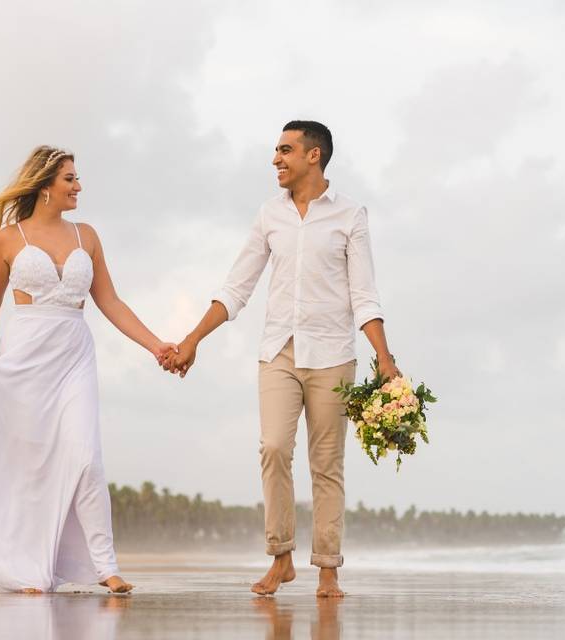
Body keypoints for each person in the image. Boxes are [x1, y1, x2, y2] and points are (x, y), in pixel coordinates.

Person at [162, 121, 400, 597]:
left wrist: (385, 360)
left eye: (285, 150)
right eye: (276, 149)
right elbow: (237, 287)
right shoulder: (269, 215)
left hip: (333, 354)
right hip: (278, 352)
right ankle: (282, 557)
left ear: (314, 155)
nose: (276, 158)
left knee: (327, 462)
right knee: (273, 447)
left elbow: (365, 295)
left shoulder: (351, 215)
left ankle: (328, 569)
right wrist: (192, 340)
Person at [0, 146, 175, 593]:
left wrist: (155, 344)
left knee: (85, 456)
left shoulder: (88, 236)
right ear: (45, 186)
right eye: (70, 179)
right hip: (24, 356)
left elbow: (110, 302)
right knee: (31, 465)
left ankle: (106, 566)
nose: (78, 186)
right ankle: (28, 568)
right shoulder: (7, 239)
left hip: (74, 354)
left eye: (76, 178)